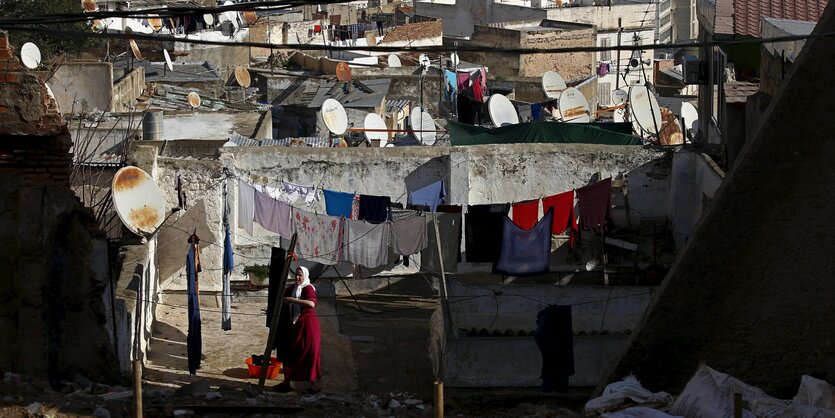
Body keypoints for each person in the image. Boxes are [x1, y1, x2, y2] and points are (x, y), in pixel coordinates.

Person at [275, 266, 322, 393]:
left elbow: (311, 304)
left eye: (300, 275)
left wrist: (293, 300)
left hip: (308, 326)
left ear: (305, 276)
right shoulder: (291, 289)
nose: (297, 277)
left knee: (309, 353)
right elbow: (281, 298)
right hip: (293, 326)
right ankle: (286, 383)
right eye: (296, 274)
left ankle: (314, 384)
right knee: (290, 353)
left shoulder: (308, 288)